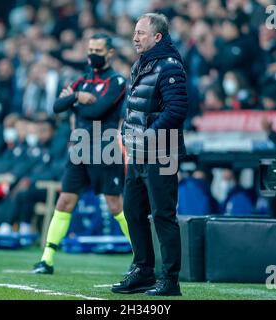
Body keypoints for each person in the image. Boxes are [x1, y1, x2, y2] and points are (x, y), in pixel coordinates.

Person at [32, 33, 131, 274]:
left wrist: (73, 103)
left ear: (110, 53)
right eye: (90, 50)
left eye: (97, 50)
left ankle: (144, 258)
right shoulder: (82, 82)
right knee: (65, 200)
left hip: (104, 147)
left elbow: (97, 110)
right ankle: (47, 259)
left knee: (115, 205)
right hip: (79, 148)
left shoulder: (116, 81)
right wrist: (77, 97)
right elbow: (56, 106)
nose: (92, 55)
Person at [111, 13, 188, 296]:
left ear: (157, 37)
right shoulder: (142, 64)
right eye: (135, 32)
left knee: (163, 215)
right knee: (132, 210)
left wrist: (147, 134)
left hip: (161, 152)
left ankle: (170, 280)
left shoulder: (170, 66)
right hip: (138, 153)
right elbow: (136, 105)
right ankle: (143, 271)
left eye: (141, 33)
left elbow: (177, 110)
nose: (135, 37)